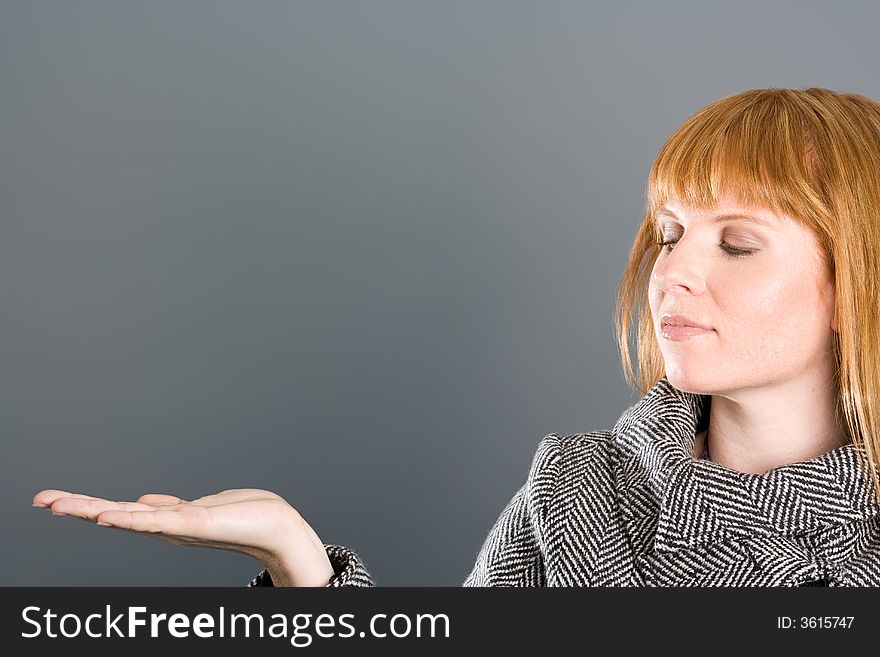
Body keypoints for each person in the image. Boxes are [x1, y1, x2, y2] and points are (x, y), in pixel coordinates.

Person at [33, 87, 880, 586]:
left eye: (736, 242)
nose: (674, 273)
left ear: (856, 283)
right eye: (668, 233)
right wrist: (299, 562)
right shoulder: (576, 488)